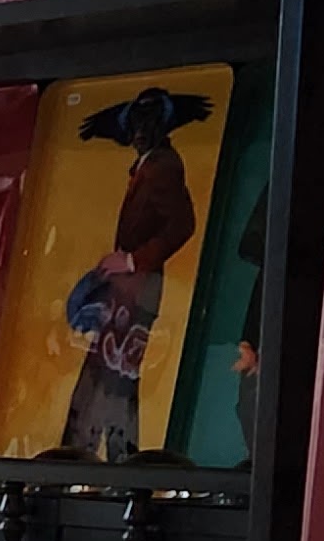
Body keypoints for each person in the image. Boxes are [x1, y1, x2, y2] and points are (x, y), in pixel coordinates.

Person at [59, 87, 213, 457]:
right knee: (117, 378)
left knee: (109, 376)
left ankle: (85, 458)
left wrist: (131, 261)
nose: (141, 131)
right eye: (137, 122)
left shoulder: (162, 167)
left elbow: (183, 224)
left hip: (137, 288)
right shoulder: (151, 164)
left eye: (150, 122)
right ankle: (116, 462)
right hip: (132, 288)